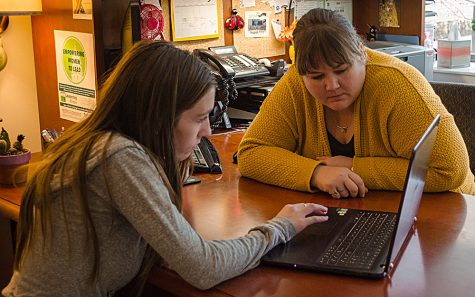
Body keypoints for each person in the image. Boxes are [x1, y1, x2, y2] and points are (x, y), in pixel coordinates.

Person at [2, 41, 329, 297]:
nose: (207, 133)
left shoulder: (103, 145)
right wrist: (279, 228)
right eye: (199, 118)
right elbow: (202, 267)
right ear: (159, 117)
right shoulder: (119, 156)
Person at [238, 8, 475, 197]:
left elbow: (450, 171)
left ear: (361, 55)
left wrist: (354, 167)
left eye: (341, 70)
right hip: (368, 210)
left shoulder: (398, 84)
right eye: (317, 77)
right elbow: (251, 153)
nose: (331, 86)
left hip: (450, 211)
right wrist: (316, 174)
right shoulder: (295, 83)